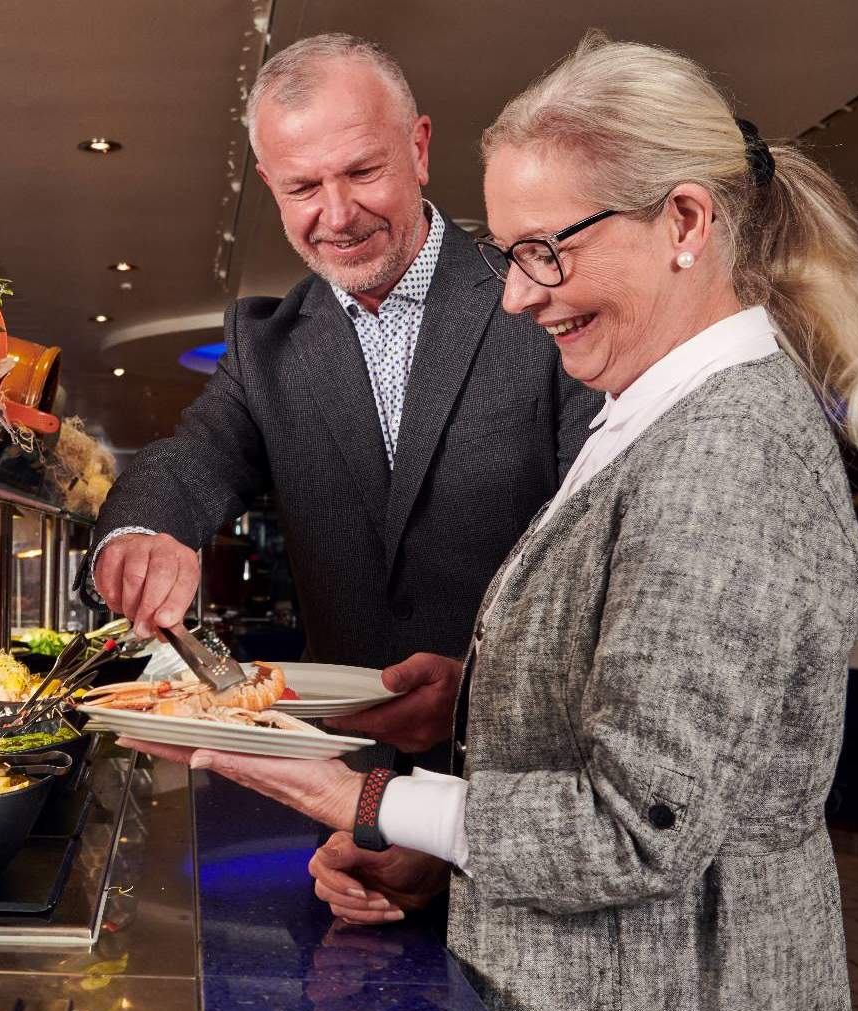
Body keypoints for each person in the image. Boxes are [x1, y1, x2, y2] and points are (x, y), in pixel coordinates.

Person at [125, 32, 858, 1011]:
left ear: (687, 222)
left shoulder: (724, 450)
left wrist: (360, 799)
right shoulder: (653, 414)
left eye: (542, 252)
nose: (519, 296)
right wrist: (472, 704)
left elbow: (640, 829)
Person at [87, 36, 600, 759]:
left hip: (532, 763)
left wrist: (486, 691)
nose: (337, 214)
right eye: (302, 188)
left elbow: (601, 547)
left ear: (418, 149)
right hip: (340, 777)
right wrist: (139, 533)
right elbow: (193, 456)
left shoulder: (536, 296)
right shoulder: (266, 346)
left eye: (363, 171)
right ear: (269, 185)